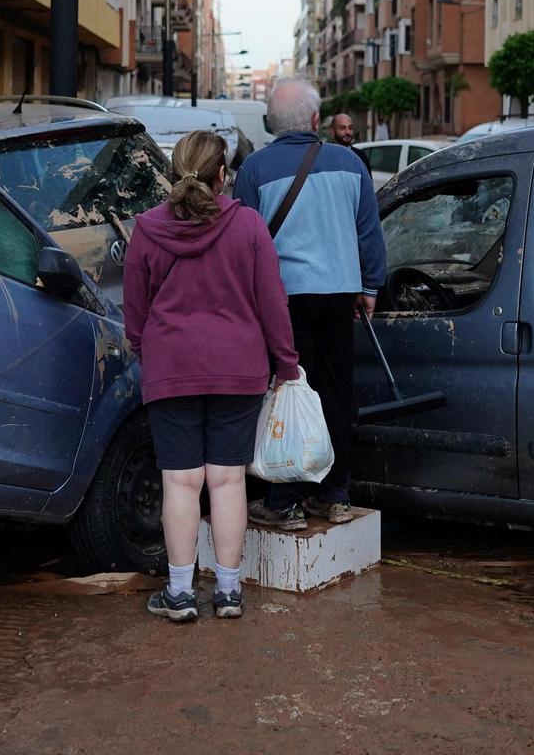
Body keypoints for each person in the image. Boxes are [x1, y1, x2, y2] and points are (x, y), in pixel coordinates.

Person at [125, 130, 301, 622]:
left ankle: (179, 594)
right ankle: (228, 592)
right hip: (238, 368)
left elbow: (134, 312)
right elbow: (273, 303)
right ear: (223, 175)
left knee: (180, 482)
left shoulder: (146, 229)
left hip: (171, 367)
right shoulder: (248, 226)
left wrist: (146, 348)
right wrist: (286, 364)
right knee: (227, 481)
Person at [235, 77, 386, 529]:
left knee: (288, 393)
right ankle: (336, 494)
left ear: (270, 124)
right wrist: (371, 287)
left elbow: (244, 242)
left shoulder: (255, 170)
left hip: (282, 302)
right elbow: (369, 232)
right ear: (317, 121)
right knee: (336, 395)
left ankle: (284, 500)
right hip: (340, 296)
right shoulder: (350, 163)